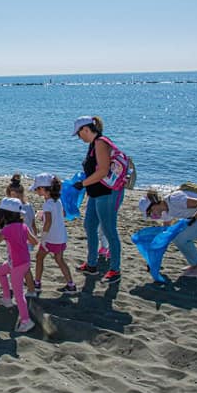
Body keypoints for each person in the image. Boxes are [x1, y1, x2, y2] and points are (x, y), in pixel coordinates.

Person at [72, 115, 126, 284]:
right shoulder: (92, 145)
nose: (78, 137)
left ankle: (115, 270)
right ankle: (92, 264)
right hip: (96, 193)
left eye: (79, 133)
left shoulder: (101, 143)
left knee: (109, 230)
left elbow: (103, 171)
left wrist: (83, 183)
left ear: (86, 130)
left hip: (108, 193)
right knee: (89, 225)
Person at [139, 186, 197, 278]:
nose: (151, 216)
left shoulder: (174, 199)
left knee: (180, 238)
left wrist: (193, 219)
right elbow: (165, 237)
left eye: (149, 213)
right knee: (178, 238)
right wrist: (153, 262)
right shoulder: (166, 212)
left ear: (154, 205)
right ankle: (195, 265)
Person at [0, 197, 37, 333]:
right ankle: (6, 299)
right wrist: (21, 244)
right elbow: (34, 241)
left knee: (18, 294)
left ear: (4, 214)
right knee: (1, 271)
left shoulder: (7, 229)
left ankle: (26, 320)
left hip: (16, 264)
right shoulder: (23, 226)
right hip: (24, 261)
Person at [30, 173, 77, 295]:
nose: (36, 191)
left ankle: (37, 283)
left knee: (39, 257)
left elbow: (49, 222)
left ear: (44, 189)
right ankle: (71, 284)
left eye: (37, 188)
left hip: (51, 238)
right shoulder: (57, 201)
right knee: (59, 259)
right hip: (61, 237)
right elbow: (62, 214)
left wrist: (43, 237)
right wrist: (43, 215)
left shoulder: (47, 204)